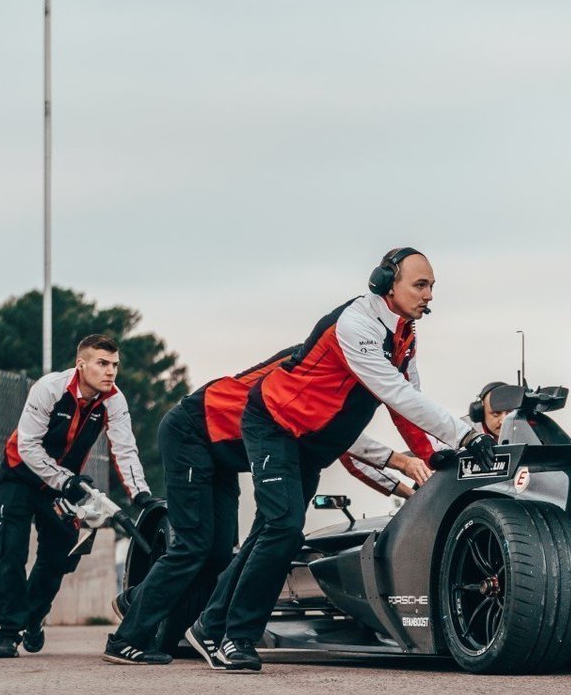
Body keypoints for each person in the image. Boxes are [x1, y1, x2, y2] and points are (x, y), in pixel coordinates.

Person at [191, 248, 498, 672]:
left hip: (312, 441)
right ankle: (236, 637)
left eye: (432, 286)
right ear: (385, 283)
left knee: (271, 530)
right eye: (420, 285)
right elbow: (395, 393)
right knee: (283, 528)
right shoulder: (356, 325)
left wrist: (432, 453)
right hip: (276, 425)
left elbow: (408, 401)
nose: (429, 295)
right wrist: (465, 434)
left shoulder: (404, 333)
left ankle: (209, 623)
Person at [102, 350, 429, 665]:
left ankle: (166, 611)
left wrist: (406, 489)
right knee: (193, 546)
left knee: (219, 553)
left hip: (225, 452)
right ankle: (126, 639)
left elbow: (343, 447)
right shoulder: (314, 367)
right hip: (191, 431)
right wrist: (401, 462)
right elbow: (349, 442)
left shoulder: (344, 376)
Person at [0, 334, 151, 658]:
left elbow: (124, 448)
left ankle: (33, 618)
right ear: (81, 365)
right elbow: (28, 446)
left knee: (61, 552)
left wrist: (141, 494)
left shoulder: (114, 400)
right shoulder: (49, 389)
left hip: (62, 485)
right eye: (102, 363)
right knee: (10, 551)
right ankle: (7, 633)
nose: (110, 371)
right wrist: (65, 480)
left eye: (115, 364)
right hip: (20, 474)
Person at [339, 379, 512, 498]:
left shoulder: (525, 433)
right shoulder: (453, 435)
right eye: (496, 414)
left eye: (510, 413)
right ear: (479, 412)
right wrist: (408, 492)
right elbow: (350, 453)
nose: (503, 420)